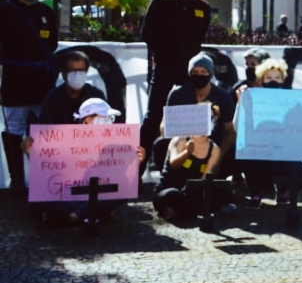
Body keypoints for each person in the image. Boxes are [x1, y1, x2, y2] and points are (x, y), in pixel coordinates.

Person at [140, 0, 211, 168]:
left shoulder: (202, 7)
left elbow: (200, 38)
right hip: (163, 68)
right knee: (153, 118)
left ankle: (182, 168)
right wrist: (160, 55)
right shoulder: (160, 1)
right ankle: (136, 170)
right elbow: (147, 34)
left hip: (189, 74)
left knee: (187, 120)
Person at [36, 98, 145, 226]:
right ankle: (89, 215)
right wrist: (31, 150)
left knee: (121, 192)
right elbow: (48, 171)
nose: (109, 123)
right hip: (72, 198)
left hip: (101, 197)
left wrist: (135, 164)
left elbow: (123, 181)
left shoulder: (116, 146)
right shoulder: (65, 141)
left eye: (110, 119)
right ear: (87, 121)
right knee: (41, 199)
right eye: (105, 118)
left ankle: (74, 216)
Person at [0, 0, 58, 191]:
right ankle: (16, 179)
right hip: (15, 78)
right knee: (14, 128)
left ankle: (46, 178)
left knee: (45, 129)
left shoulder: (46, 11)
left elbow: (52, 42)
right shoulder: (5, 10)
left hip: (42, 79)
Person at [240, 59, 302, 209]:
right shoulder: (251, 99)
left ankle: (283, 189)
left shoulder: (294, 101)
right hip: (259, 153)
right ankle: (255, 193)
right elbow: (238, 128)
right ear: (261, 80)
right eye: (269, 78)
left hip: (284, 154)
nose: (273, 81)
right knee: (246, 156)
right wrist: (241, 105)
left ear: (283, 80)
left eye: (277, 78)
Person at [152, 105, 236, 221]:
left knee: (220, 191)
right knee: (172, 194)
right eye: (202, 119)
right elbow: (174, 164)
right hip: (170, 189)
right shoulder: (180, 139)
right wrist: (187, 152)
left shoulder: (214, 149)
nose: (206, 123)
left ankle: (179, 211)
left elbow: (206, 179)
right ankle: (200, 210)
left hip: (192, 192)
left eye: (211, 119)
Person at [164, 53, 237, 174]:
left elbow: (230, 131)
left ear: (211, 73)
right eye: (195, 71)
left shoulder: (223, 97)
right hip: (184, 142)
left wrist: (219, 155)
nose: (199, 75)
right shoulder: (177, 93)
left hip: (213, 143)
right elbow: (166, 124)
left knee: (232, 152)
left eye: (204, 71)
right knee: (160, 145)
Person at [26, 52, 106, 144]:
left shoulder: (96, 95)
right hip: (61, 151)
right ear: (63, 73)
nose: (77, 75)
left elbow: (105, 127)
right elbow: (45, 129)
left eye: (81, 70)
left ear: (86, 71)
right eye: (72, 70)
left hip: (89, 149)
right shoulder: (52, 98)